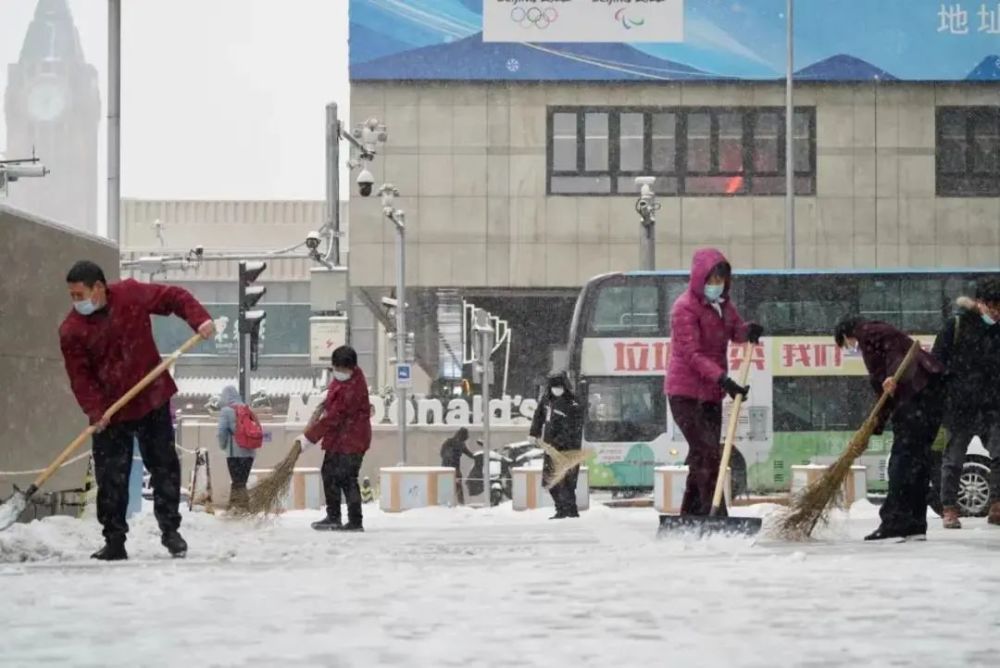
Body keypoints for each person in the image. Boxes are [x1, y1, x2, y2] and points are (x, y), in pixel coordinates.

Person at [59, 260, 214, 560]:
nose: (76, 302)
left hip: (151, 398)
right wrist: (95, 410)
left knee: (164, 467)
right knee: (111, 477)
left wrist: (199, 319)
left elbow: (174, 297)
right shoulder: (71, 331)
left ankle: (170, 531)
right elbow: (81, 377)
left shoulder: (130, 295)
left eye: (80, 295)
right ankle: (114, 540)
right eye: (72, 296)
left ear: (99, 288)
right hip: (110, 413)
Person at [666, 249, 762, 517]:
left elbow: (736, 331)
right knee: (708, 454)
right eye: (712, 279)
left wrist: (748, 331)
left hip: (710, 394)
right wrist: (724, 379)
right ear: (699, 278)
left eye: (721, 279)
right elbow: (692, 355)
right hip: (684, 394)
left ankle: (690, 516)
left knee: (702, 456)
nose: (716, 285)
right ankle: (716, 516)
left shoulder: (724, 306)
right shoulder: (683, 308)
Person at [835, 315, 944, 541]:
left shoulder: (869, 333)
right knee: (917, 462)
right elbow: (884, 397)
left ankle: (895, 523)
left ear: (847, 336)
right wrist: (872, 429)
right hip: (927, 398)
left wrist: (893, 375)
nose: (852, 349)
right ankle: (914, 525)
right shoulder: (876, 334)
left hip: (916, 398)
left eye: (847, 345)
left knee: (900, 464)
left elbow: (895, 356)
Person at [931, 281, 1000, 528]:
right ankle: (949, 509)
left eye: (999, 308)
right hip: (959, 405)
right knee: (954, 459)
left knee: (999, 454)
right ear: (979, 303)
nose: (995, 312)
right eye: (991, 306)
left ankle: (997, 506)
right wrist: (950, 387)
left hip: (993, 404)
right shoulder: (957, 325)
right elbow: (936, 363)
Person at [301, 346, 372, 532]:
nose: (338, 373)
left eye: (342, 370)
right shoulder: (342, 380)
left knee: (347, 478)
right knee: (329, 473)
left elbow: (334, 417)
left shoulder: (354, 388)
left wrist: (309, 438)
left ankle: (355, 521)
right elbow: (332, 403)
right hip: (339, 438)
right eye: (336, 368)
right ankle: (333, 516)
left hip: (353, 439)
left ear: (352, 368)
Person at [529, 371, 583, 519]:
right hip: (550, 447)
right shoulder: (547, 400)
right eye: (554, 387)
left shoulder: (573, 403)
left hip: (568, 449)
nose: (556, 389)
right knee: (551, 480)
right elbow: (538, 417)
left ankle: (570, 511)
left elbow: (573, 428)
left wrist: (559, 442)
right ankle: (561, 509)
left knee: (567, 482)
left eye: (559, 386)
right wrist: (534, 433)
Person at [216, 385, 258, 511]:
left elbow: (221, 432)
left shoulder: (226, 411)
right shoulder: (247, 409)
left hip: (235, 453)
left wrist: (223, 446)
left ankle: (243, 508)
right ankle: (235, 507)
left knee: (238, 482)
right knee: (240, 481)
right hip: (249, 453)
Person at [440, 427, 474, 504]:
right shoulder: (450, 443)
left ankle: (457, 502)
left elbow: (469, 454)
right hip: (449, 468)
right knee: (455, 486)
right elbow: (443, 453)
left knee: (454, 486)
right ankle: (458, 502)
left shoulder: (459, 444)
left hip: (451, 468)